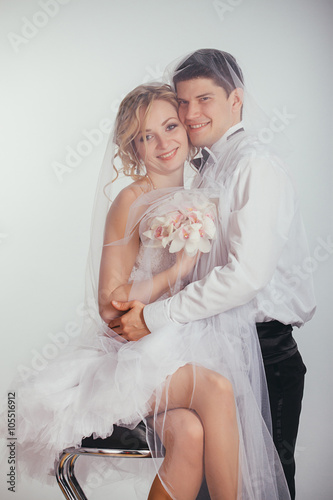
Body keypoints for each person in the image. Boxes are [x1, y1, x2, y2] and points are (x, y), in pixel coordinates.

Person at [5, 83, 290, 500]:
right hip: (130, 359)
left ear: (187, 128)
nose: (163, 143)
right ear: (133, 148)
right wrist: (174, 272)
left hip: (181, 346)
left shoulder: (202, 193)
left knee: (190, 434)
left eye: (170, 126)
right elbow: (109, 304)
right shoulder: (131, 200)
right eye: (146, 137)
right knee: (217, 390)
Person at [109, 49, 316, 500]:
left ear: (236, 100)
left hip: (264, 351)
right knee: (210, 477)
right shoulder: (197, 172)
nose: (190, 113)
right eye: (183, 102)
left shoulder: (255, 166)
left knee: (263, 482)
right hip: (209, 346)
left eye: (204, 99)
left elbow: (246, 277)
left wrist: (156, 316)